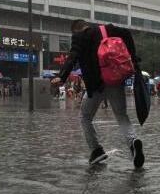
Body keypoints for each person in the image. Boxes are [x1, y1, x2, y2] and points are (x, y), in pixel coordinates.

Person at [52, 19, 144, 168]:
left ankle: (96, 150)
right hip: (116, 79)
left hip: (96, 85)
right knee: (121, 115)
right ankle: (133, 143)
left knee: (85, 116)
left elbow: (73, 56)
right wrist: (133, 57)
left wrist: (62, 76)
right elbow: (127, 33)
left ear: (76, 30)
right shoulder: (110, 29)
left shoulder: (80, 37)